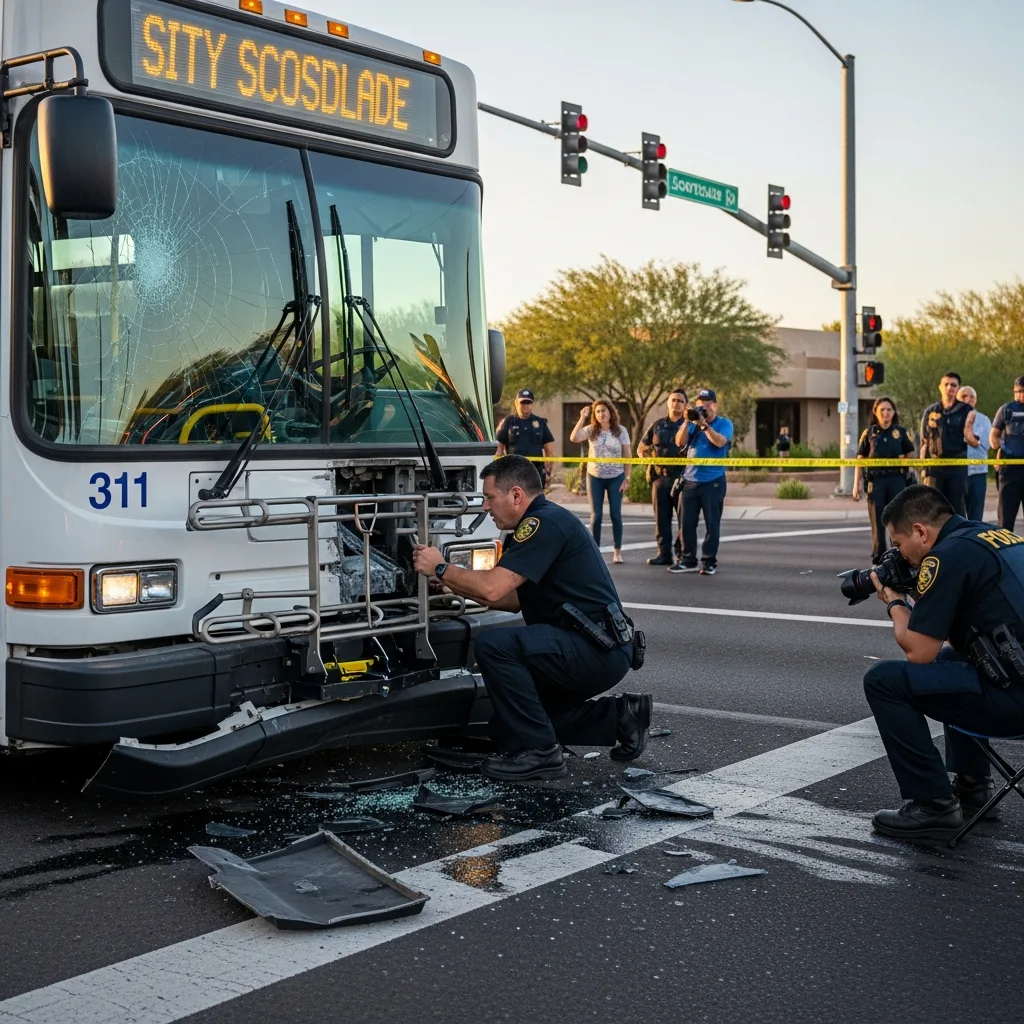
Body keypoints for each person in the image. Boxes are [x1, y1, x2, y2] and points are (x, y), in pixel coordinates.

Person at [411, 455, 651, 781]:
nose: (485, 506)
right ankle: (621, 716)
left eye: (489, 497)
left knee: (494, 645)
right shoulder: (543, 521)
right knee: (509, 727)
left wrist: (440, 567)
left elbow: (493, 588)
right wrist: (450, 584)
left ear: (516, 495)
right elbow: (510, 600)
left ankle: (542, 754)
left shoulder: (541, 524)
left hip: (594, 649)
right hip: (597, 647)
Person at [862, 484, 1024, 840]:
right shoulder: (993, 537)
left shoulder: (943, 558)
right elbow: (958, 638)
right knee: (952, 658)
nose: (901, 555)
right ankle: (973, 789)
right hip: (1017, 678)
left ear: (921, 532)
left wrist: (895, 602)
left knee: (882, 680)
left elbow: (920, 652)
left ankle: (933, 806)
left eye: (899, 544)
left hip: (1016, 701)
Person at [669, 388, 734, 576]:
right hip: (690, 481)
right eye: (700, 405)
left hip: (713, 482)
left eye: (707, 405)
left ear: (714, 406)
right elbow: (679, 442)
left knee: (712, 524)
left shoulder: (724, 423)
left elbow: (720, 442)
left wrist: (704, 425)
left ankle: (708, 562)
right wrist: (686, 421)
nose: (703, 408)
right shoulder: (692, 423)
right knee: (686, 524)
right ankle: (688, 560)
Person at [852, 396, 916, 563]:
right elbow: (860, 460)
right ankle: (879, 559)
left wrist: (906, 462)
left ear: (894, 412)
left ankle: (899, 557)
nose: (886, 413)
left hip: (897, 480)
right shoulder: (869, 433)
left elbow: (911, 454)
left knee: (897, 521)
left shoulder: (900, 432)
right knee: (878, 522)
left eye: (889, 410)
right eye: (882, 410)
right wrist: (856, 485)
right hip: (876, 481)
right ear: (875, 412)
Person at [569, 399, 632, 564]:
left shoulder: (621, 431)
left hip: (616, 477)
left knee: (615, 515)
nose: (601, 414)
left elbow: (628, 456)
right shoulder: (591, 430)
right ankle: (595, 552)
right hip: (595, 476)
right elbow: (574, 438)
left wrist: (627, 478)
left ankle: (617, 552)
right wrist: (582, 418)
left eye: (603, 410)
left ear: (610, 412)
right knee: (596, 516)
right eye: (597, 411)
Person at [637, 389, 688, 567]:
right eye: (673, 400)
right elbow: (641, 448)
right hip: (661, 478)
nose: (676, 403)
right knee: (661, 519)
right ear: (668, 403)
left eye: (680, 401)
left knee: (684, 519)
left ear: (685, 405)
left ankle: (681, 554)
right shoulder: (657, 425)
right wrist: (649, 461)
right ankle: (663, 554)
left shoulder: (689, 426)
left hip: (683, 478)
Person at [919, 371, 975, 516]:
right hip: (935, 466)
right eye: (946, 384)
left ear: (958, 388)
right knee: (933, 509)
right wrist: (923, 469)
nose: (949, 387)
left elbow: (973, 439)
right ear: (940, 387)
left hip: (957, 465)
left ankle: (958, 532)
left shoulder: (966, 410)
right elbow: (925, 441)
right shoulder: (931, 411)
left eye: (953, 385)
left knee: (957, 509)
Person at [495, 389, 555, 489]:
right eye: (522, 402)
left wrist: (548, 472)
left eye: (528, 402)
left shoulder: (540, 423)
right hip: (513, 472)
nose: (525, 405)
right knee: (515, 497)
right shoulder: (508, 422)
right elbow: (498, 450)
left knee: (535, 498)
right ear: (516, 403)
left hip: (536, 472)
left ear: (532, 404)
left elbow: (549, 451)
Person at [990, 375, 1024, 532]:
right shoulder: (1006, 410)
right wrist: (1001, 449)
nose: (1019, 395)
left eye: (1022, 391)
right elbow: (994, 435)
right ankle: (1004, 548)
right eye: (1016, 391)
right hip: (1010, 469)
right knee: (1005, 519)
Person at [956, 385, 992, 522]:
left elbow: (982, 444)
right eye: (963, 396)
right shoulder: (951, 419)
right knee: (957, 516)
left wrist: (967, 433)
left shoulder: (984, 420)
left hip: (977, 474)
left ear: (975, 400)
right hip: (956, 474)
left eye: (971, 397)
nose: (968, 400)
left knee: (976, 517)